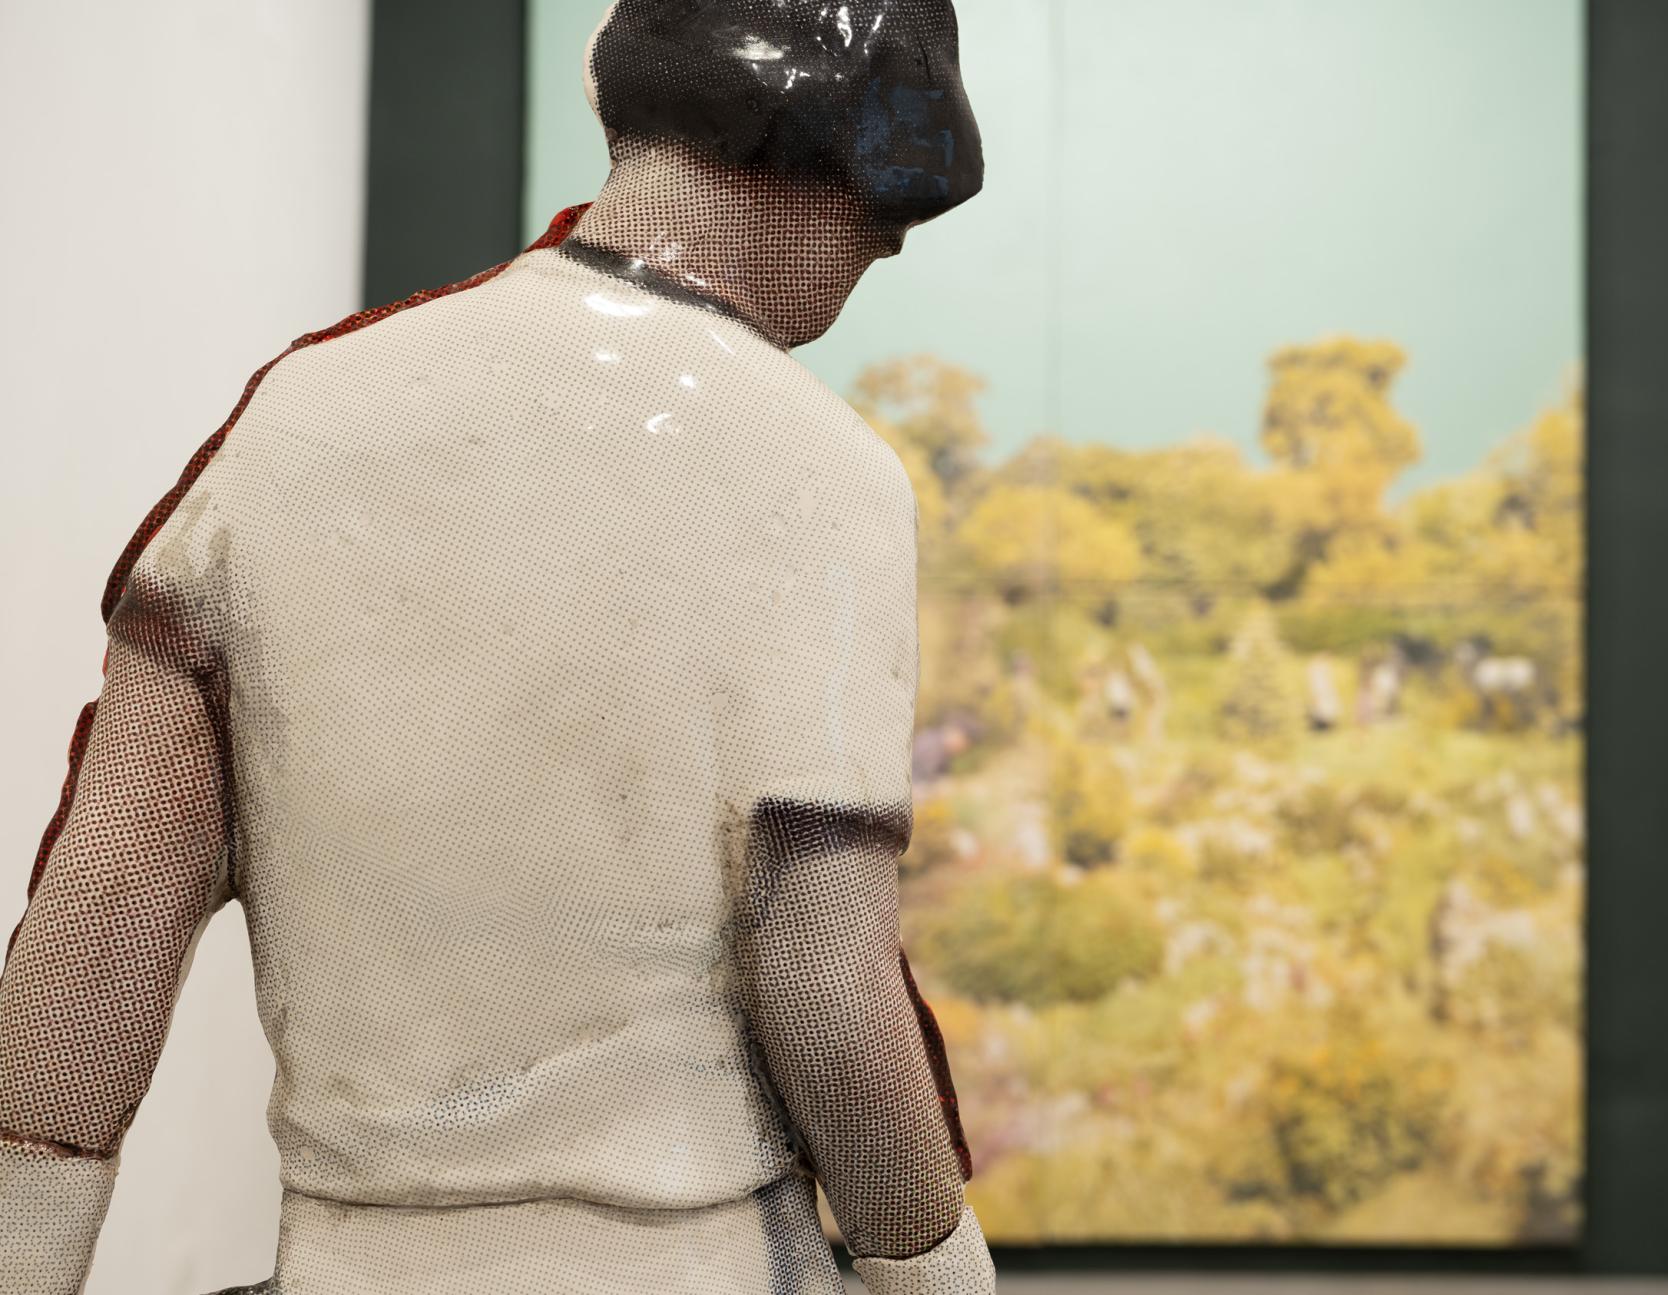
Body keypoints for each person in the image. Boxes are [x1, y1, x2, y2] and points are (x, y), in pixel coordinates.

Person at [0, 2, 991, 1291]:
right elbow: (826, 983)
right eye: (881, 226)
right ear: (830, 179)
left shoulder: (301, 418)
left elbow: (98, 933)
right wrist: (936, 1271)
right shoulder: (817, 473)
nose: (874, 260)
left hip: (351, 1257)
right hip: (695, 1260)